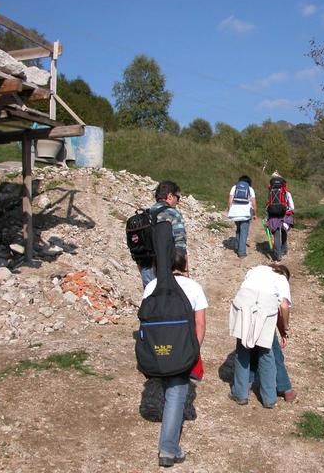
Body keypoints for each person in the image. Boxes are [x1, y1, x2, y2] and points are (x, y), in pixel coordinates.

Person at [142, 251, 207, 468]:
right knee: (177, 395)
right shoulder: (194, 287)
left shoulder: (151, 287)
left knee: (169, 388)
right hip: (181, 351)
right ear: (184, 264)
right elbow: (200, 324)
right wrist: (193, 351)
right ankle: (169, 449)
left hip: (157, 351)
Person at [228, 264, 296, 408]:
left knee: (243, 349)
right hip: (265, 307)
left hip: (244, 302)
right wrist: (285, 327)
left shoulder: (256, 269)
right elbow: (283, 306)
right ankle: (269, 398)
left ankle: (240, 394)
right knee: (266, 353)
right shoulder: (282, 279)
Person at [139, 180, 187, 287]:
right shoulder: (173, 214)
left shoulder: (146, 214)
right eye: (177, 198)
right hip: (166, 266)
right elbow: (180, 244)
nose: (178, 202)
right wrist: (184, 271)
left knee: (151, 299)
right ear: (170, 196)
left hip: (146, 267)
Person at [265, 171, 294, 261]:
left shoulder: (271, 193)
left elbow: (267, 205)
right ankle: (284, 248)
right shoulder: (286, 193)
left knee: (276, 235)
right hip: (284, 216)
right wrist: (286, 211)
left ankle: (278, 255)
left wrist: (267, 217)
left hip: (273, 216)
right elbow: (292, 207)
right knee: (284, 232)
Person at [227, 175, 257, 258]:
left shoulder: (234, 187)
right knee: (244, 232)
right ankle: (242, 252)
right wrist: (254, 214)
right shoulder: (250, 189)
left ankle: (237, 247)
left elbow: (229, 201)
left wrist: (230, 211)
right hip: (245, 214)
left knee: (238, 230)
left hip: (235, 213)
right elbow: (254, 204)